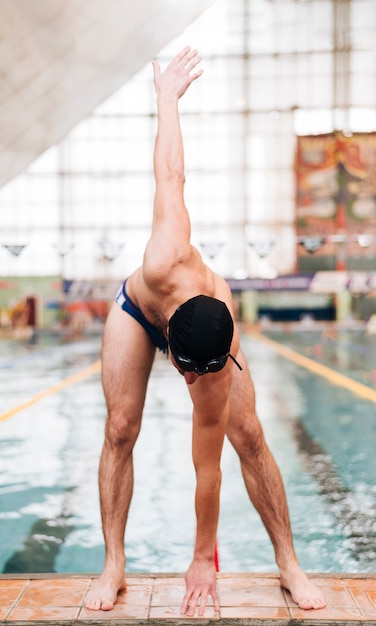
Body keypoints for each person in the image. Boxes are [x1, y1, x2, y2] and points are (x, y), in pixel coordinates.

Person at [84, 46, 327, 616]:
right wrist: (166, 98)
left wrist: (201, 557)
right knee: (121, 428)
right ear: (175, 358)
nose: (195, 387)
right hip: (136, 310)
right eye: (193, 377)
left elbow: (206, 471)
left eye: (203, 376)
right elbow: (171, 171)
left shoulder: (217, 359)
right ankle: (113, 562)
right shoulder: (164, 256)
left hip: (204, 324)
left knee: (247, 435)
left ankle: (288, 562)